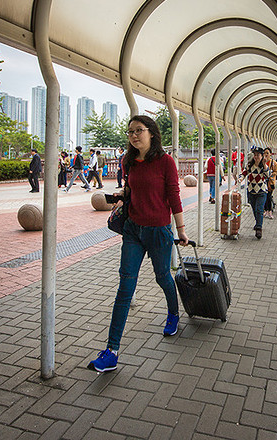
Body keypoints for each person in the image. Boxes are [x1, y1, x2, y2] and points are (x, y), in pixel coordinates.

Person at [88, 115, 188, 373]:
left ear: (152, 133)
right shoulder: (128, 161)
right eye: (130, 131)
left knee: (162, 275)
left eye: (138, 131)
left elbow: (174, 197)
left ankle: (173, 313)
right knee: (125, 286)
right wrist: (123, 194)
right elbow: (132, 189)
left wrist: (181, 231)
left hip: (158, 231)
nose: (133, 135)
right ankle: (111, 351)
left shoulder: (166, 162)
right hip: (132, 229)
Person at [239, 147, 271, 239]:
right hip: (251, 191)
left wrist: (264, 165)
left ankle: (259, 228)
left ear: (262, 156)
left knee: (259, 209)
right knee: (254, 209)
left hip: (262, 191)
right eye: (255, 155)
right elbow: (244, 173)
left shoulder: (264, 166)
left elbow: (268, 175)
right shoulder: (250, 165)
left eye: (258, 155)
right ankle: (258, 223)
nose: (256, 157)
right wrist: (240, 178)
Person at [263, 147, 277, 219]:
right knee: (264, 197)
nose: (266, 154)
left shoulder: (273, 163)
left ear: (270, 154)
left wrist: (270, 173)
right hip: (263, 182)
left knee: (269, 196)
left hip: (270, 182)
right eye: (264, 153)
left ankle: (269, 211)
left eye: (267, 153)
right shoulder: (262, 162)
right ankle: (266, 210)